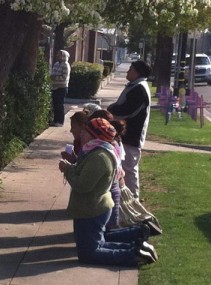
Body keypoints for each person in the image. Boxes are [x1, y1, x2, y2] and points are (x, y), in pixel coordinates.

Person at [59, 118, 157, 266]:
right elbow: (83, 175)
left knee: (89, 254)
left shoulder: (99, 157)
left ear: (94, 136)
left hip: (91, 210)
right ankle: (137, 248)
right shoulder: (94, 151)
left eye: (85, 131)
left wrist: (67, 170)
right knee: (97, 246)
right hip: (91, 209)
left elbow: (82, 185)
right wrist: (72, 166)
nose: (81, 134)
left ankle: (133, 255)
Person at [107, 60, 152, 200]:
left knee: (129, 170)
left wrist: (111, 109)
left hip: (132, 136)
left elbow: (129, 111)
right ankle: (123, 199)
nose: (127, 71)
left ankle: (133, 200)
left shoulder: (140, 88)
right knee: (123, 168)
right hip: (125, 135)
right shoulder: (134, 86)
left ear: (137, 72)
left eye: (130, 69)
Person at [50, 50, 71, 127]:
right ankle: (55, 120)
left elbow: (64, 77)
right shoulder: (56, 64)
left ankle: (60, 121)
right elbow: (53, 73)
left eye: (60, 55)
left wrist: (54, 78)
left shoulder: (66, 65)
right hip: (54, 87)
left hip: (62, 87)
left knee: (60, 105)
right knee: (55, 105)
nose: (58, 56)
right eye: (58, 54)